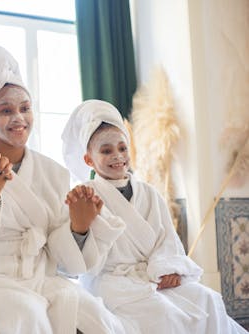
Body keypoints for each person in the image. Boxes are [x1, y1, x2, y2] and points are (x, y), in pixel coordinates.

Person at [0, 46, 128, 334]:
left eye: (25, 108)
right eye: (5, 110)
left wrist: (78, 227)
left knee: (101, 320)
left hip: (40, 279)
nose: (19, 118)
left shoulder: (53, 173)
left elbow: (65, 264)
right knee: (27, 317)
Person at [61, 99, 248, 333]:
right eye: (106, 150)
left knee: (208, 299)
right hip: (112, 281)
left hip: (153, 273)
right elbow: (82, 255)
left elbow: (167, 239)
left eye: (122, 148)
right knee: (163, 314)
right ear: (89, 159)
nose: (117, 156)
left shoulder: (148, 193)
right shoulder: (85, 195)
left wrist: (167, 268)